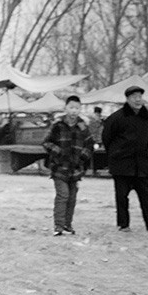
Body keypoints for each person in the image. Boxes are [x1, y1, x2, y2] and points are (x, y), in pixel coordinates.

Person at [101, 85, 148, 234]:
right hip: (122, 163)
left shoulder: (147, 117)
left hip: (141, 163)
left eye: (140, 96)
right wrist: (115, 154)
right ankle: (123, 225)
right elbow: (106, 138)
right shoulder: (116, 118)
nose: (138, 100)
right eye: (134, 97)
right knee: (122, 196)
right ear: (127, 99)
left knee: (147, 196)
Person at [42, 95, 92, 236]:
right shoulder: (57, 125)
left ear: (80, 109)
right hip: (59, 167)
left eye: (76, 108)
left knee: (72, 197)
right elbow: (46, 142)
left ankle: (67, 225)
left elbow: (89, 144)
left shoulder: (83, 126)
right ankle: (58, 226)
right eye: (71, 107)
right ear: (65, 108)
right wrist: (57, 152)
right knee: (63, 195)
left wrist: (83, 156)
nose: (73, 111)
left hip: (75, 169)